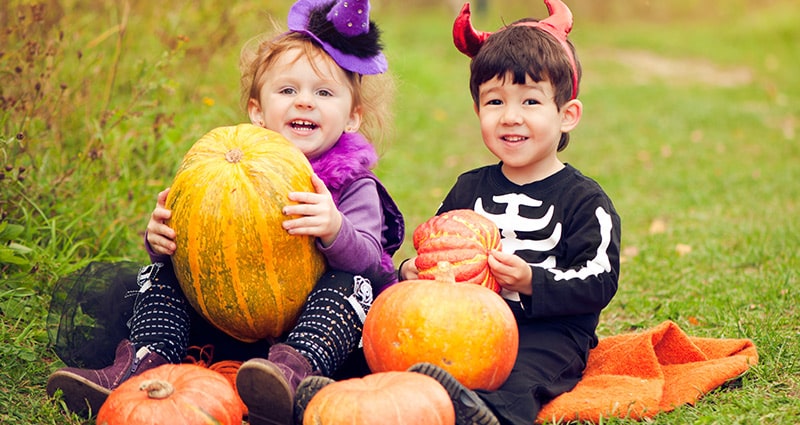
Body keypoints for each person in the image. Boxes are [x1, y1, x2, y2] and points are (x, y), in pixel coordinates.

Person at [46, 1, 404, 424]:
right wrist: (163, 241)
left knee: (352, 285)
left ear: (352, 118)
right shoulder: (228, 172)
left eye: (323, 92)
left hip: (311, 336)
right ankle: (141, 366)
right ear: (257, 111)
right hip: (226, 318)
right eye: (287, 90)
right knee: (161, 275)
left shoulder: (351, 186)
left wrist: (334, 229)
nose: (304, 102)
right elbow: (199, 247)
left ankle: (285, 382)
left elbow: (374, 265)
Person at [296, 1, 621, 424]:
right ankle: (330, 393)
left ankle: (484, 415)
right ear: (477, 111)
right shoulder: (470, 187)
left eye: (530, 102)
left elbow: (600, 280)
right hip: (461, 325)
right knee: (389, 352)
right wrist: (413, 268)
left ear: (567, 115)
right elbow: (436, 245)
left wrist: (531, 280)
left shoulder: (584, 200)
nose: (511, 117)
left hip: (547, 331)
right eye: (495, 102)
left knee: (521, 377)